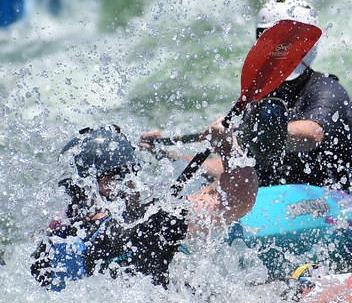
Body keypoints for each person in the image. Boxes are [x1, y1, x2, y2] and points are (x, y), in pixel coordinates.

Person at [143, 0, 352, 194]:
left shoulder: (327, 89)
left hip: (329, 193)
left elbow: (313, 134)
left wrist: (261, 130)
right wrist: (163, 154)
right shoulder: (258, 96)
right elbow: (219, 166)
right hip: (278, 194)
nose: (280, 46)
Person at [31, 121, 257, 290]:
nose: (137, 183)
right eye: (132, 172)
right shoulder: (148, 224)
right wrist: (227, 146)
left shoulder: (50, 245)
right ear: (107, 185)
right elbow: (238, 198)